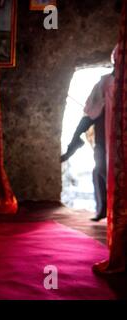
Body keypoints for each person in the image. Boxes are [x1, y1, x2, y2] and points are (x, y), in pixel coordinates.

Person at [61, 46, 117, 222]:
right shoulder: (104, 83)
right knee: (100, 169)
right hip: (104, 135)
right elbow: (91, 113)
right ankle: (103, 209)